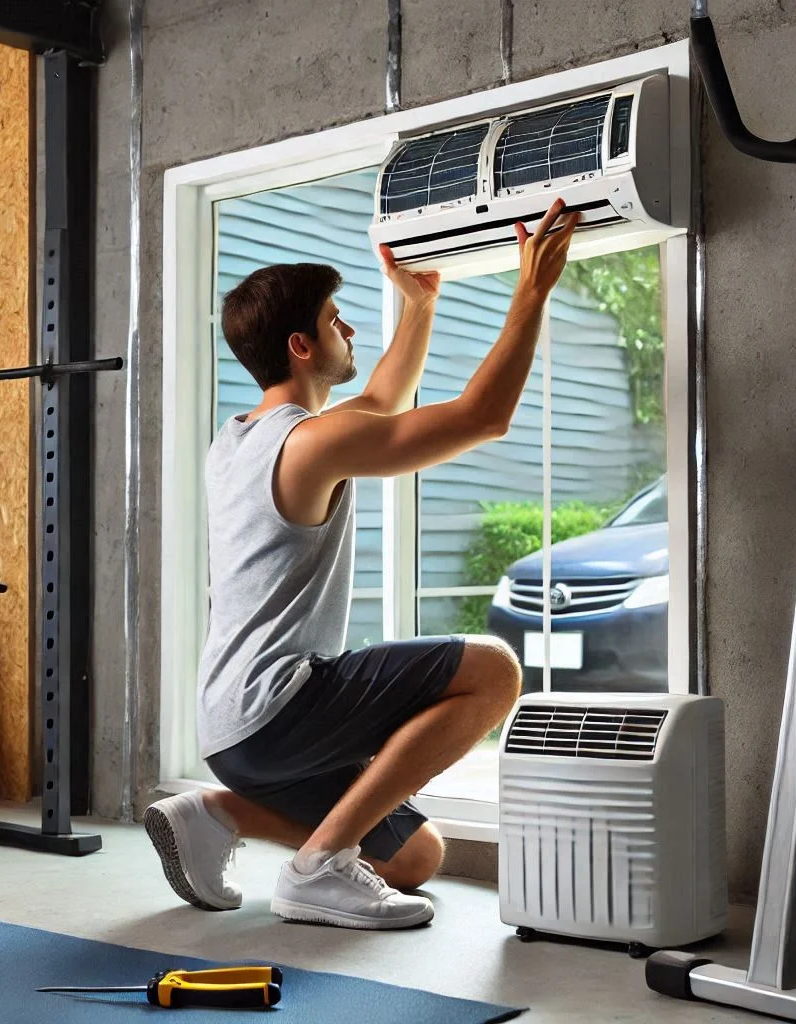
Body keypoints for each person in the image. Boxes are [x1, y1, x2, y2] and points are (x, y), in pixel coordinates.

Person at [146, 197, 581, 930]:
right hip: (277, 710)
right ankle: (314, 873)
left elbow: (380, 399)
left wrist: (420, 306)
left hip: (230, 734)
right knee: (496, 670)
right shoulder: (311, 443)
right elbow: (483, 417)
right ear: (301, 346)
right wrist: (532, 289)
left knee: (416, 857)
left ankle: (218, 813)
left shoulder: (239, 438)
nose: (348, 327)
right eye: (334, 319)